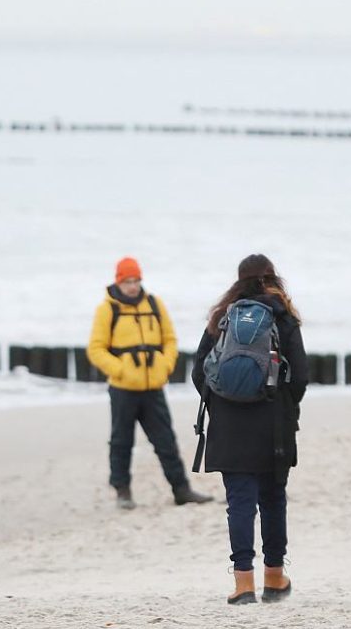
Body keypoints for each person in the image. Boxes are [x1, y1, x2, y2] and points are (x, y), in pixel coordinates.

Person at [192, 254, 308, 605]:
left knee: (239, 503)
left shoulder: (221, 318)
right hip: (273, 424)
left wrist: (223, 404)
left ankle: (243, 584)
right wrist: (284, 407)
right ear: (274, 279)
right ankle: (274, 578)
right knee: (273, 500)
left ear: (238, 281)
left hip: (228, 426)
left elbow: (199, 371)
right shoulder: (283, 317)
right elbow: (300, 376)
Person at [87, 256, 213, 510]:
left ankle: (181, 489)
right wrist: (119, 370)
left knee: (165, 440)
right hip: (123, 389)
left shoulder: (155, 304)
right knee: (122, 442)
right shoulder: (107, 309)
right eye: (127, 281)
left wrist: (165, 366)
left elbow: (170, 340)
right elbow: (96, 349)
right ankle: (123, 492)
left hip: (153, 388)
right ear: (118, 282)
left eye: (136, 281)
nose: (132, 286)